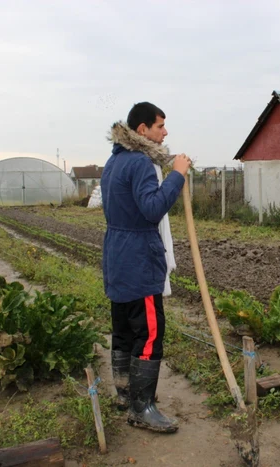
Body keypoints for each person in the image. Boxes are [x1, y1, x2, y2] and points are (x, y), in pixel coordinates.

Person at [100, 102, 191, 433]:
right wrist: (178, 174)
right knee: (150, 333)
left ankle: (125, 394)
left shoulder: (114, 162)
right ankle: (142, 407)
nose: (165, 132)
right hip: (138, 258)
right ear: (142, 130)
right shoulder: (138, 162)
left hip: (117, 256)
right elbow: (152, 209)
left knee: (123, 328)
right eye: (160, 126)